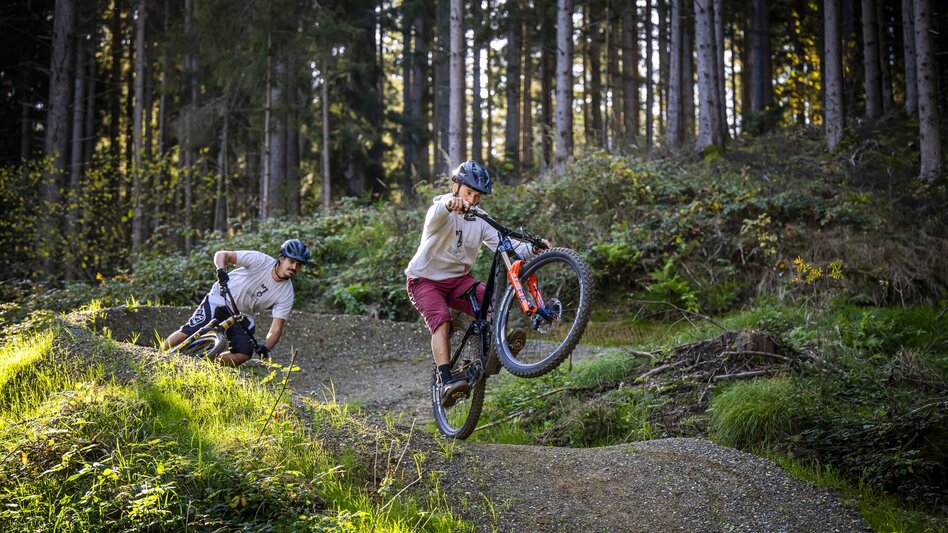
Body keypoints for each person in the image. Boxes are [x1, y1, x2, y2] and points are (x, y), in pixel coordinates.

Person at [405, 160, 550, 405]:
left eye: (477, 196)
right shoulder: (441, 211)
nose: (472, 200)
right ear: (455, 187)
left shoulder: (480, 219)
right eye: (468, 193)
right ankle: (446, 381)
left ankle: (497, 346)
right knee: (441, 321)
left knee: (490, 301)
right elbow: (441, 209)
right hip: (424, 280)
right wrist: (452, 204)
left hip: (459, 281)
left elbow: (508, 246)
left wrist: (534, 249)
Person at [163, 239, 311, 367]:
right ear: (281, 258)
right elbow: (222, 254)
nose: (294, 267)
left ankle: (204, 366)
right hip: (220, 299)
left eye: (299, 265)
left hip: (242, 315)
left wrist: (266, 348)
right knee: (189, 331)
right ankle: (157, 355)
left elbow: (276, 328)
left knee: (244, 353)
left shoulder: (287, 294)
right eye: (291, 261)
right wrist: (221, 271)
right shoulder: (260, 260)